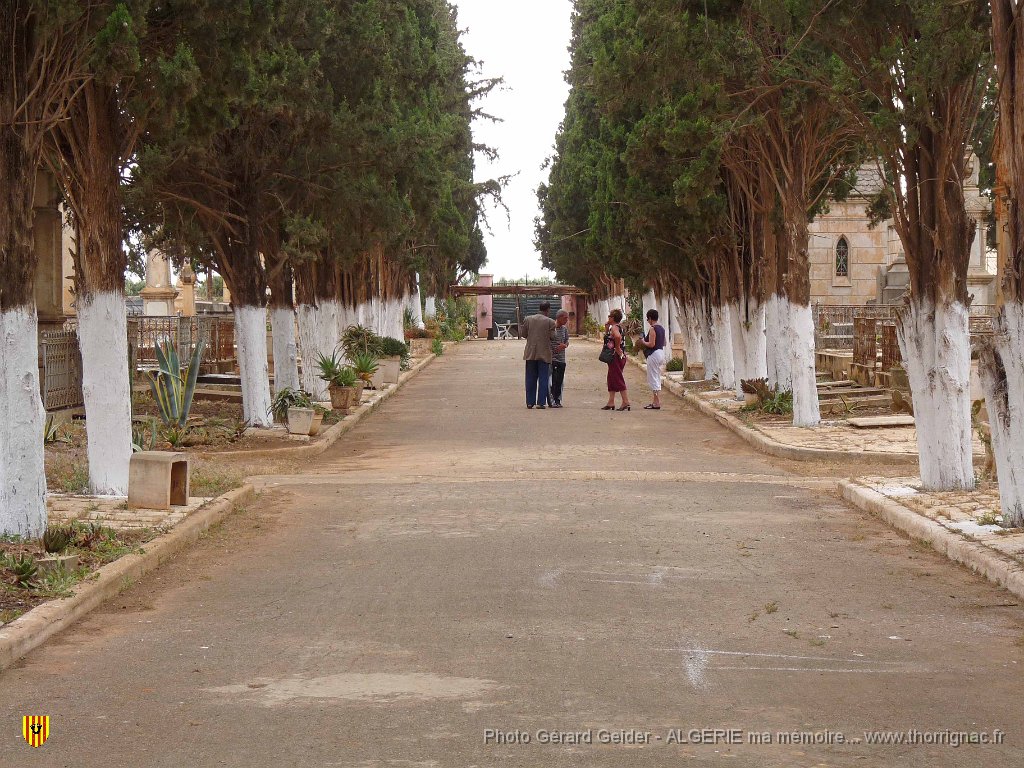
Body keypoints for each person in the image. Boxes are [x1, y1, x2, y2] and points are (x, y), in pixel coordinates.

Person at [521, 301, 556, 409]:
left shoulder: (528, 319)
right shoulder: (550, 322)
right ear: (548, 310)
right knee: (543, 378)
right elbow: (553, 337)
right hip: (544, 353)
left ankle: (530, 402)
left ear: (539, 308)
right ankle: (541, 402)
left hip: (530, 353)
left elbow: (524, 334)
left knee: (530, 378)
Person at [602, 308, 630, 411]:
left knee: (617, 377)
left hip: (616, 356)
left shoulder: (614, 327)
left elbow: (617, 337)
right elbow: (609, 339)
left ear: (613, 318)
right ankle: (611, 401)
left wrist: (617, 348)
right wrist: (606, 328)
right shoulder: (616, 327)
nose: (608, 317)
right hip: (617, 356)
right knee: (611, 377)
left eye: (609, 316)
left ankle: (625, 401)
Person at [639, 308, 667, 409]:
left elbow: (651, 344)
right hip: (661, 353)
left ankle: (656, 402)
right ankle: (655, 401)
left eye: (647, 319)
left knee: (653, 377)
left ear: (650, 318)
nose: (648, 321)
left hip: (653, 354)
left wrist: (642, 341)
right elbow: (664, 343)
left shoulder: (652, 329)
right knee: (657, 376)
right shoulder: (662, 329)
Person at [549, 310, 570, 407]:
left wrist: (564, 345)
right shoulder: (551, 327)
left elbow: (567, 341)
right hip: (552, 359)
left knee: (559, 381)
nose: (567, 320)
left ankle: (558, 400)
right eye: (565, 318)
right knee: (553, 380)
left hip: (561, 359)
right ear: (559, 318)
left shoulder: (564, 329)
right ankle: (551, 399)